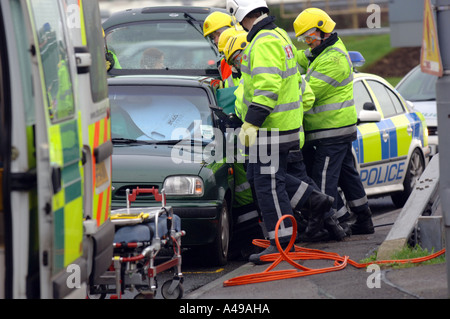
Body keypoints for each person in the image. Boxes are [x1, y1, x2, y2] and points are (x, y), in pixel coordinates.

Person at [226, 0, 336, 264]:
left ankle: (282, 242)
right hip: (284, 126)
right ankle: (313, 199)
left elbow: (267, 87)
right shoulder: (277, 35)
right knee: (259, 176)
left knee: (267, 185)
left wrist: (251, 123)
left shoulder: (263, 41)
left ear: (240, 15)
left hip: (270, 128)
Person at [293, 8, 374, 235]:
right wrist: (285, 55)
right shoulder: (322, 52)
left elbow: (307, 93)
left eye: (308, 36)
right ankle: (364, 219)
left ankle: (329, 227)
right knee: (348, 175)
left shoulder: (333, 59)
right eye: (303, 38)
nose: (306, 42)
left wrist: (288, 85)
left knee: (323, 178)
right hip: (334, 129)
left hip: (332, 130)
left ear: (322, 31)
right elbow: (300, 58)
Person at [203, 11, 235, 85]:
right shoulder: (224, 61)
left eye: (220, 34)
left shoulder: (242, 55)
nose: (216, 41)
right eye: (213, 37)